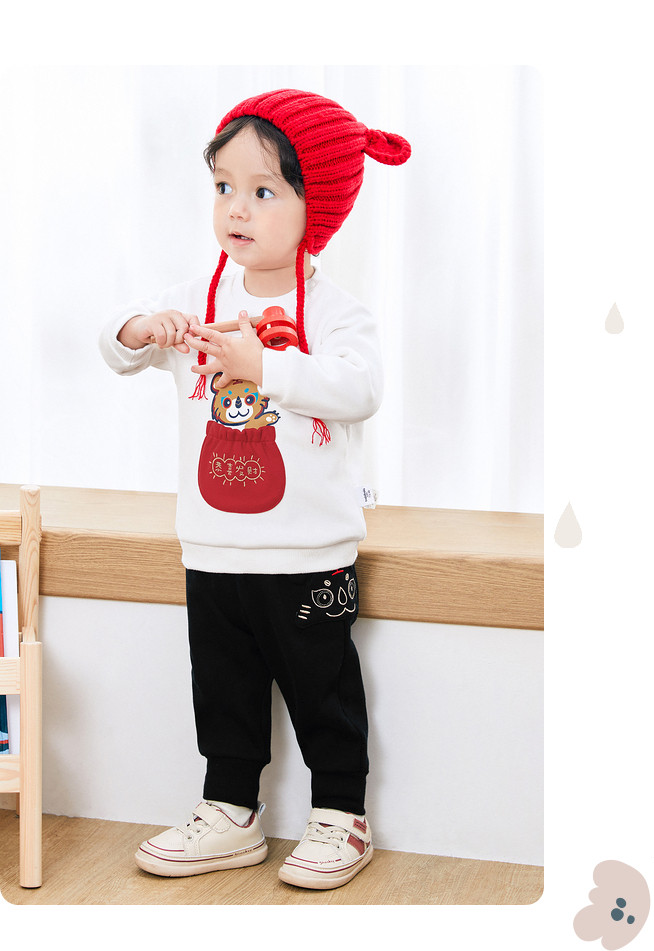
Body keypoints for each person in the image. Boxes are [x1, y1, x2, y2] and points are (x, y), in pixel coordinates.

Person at [99, 88, 410, 890]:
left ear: (318, 206)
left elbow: (360, 388)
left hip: (307, 553)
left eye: (264, 190)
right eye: (223, 186)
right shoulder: (195, 300)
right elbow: (116, 343)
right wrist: (142, 330)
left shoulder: (337, 312)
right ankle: (229, 810)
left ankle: (341, 814)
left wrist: (263, 364)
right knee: (224, 689)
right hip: (213, 546)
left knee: (323, 688)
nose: (237, 208)